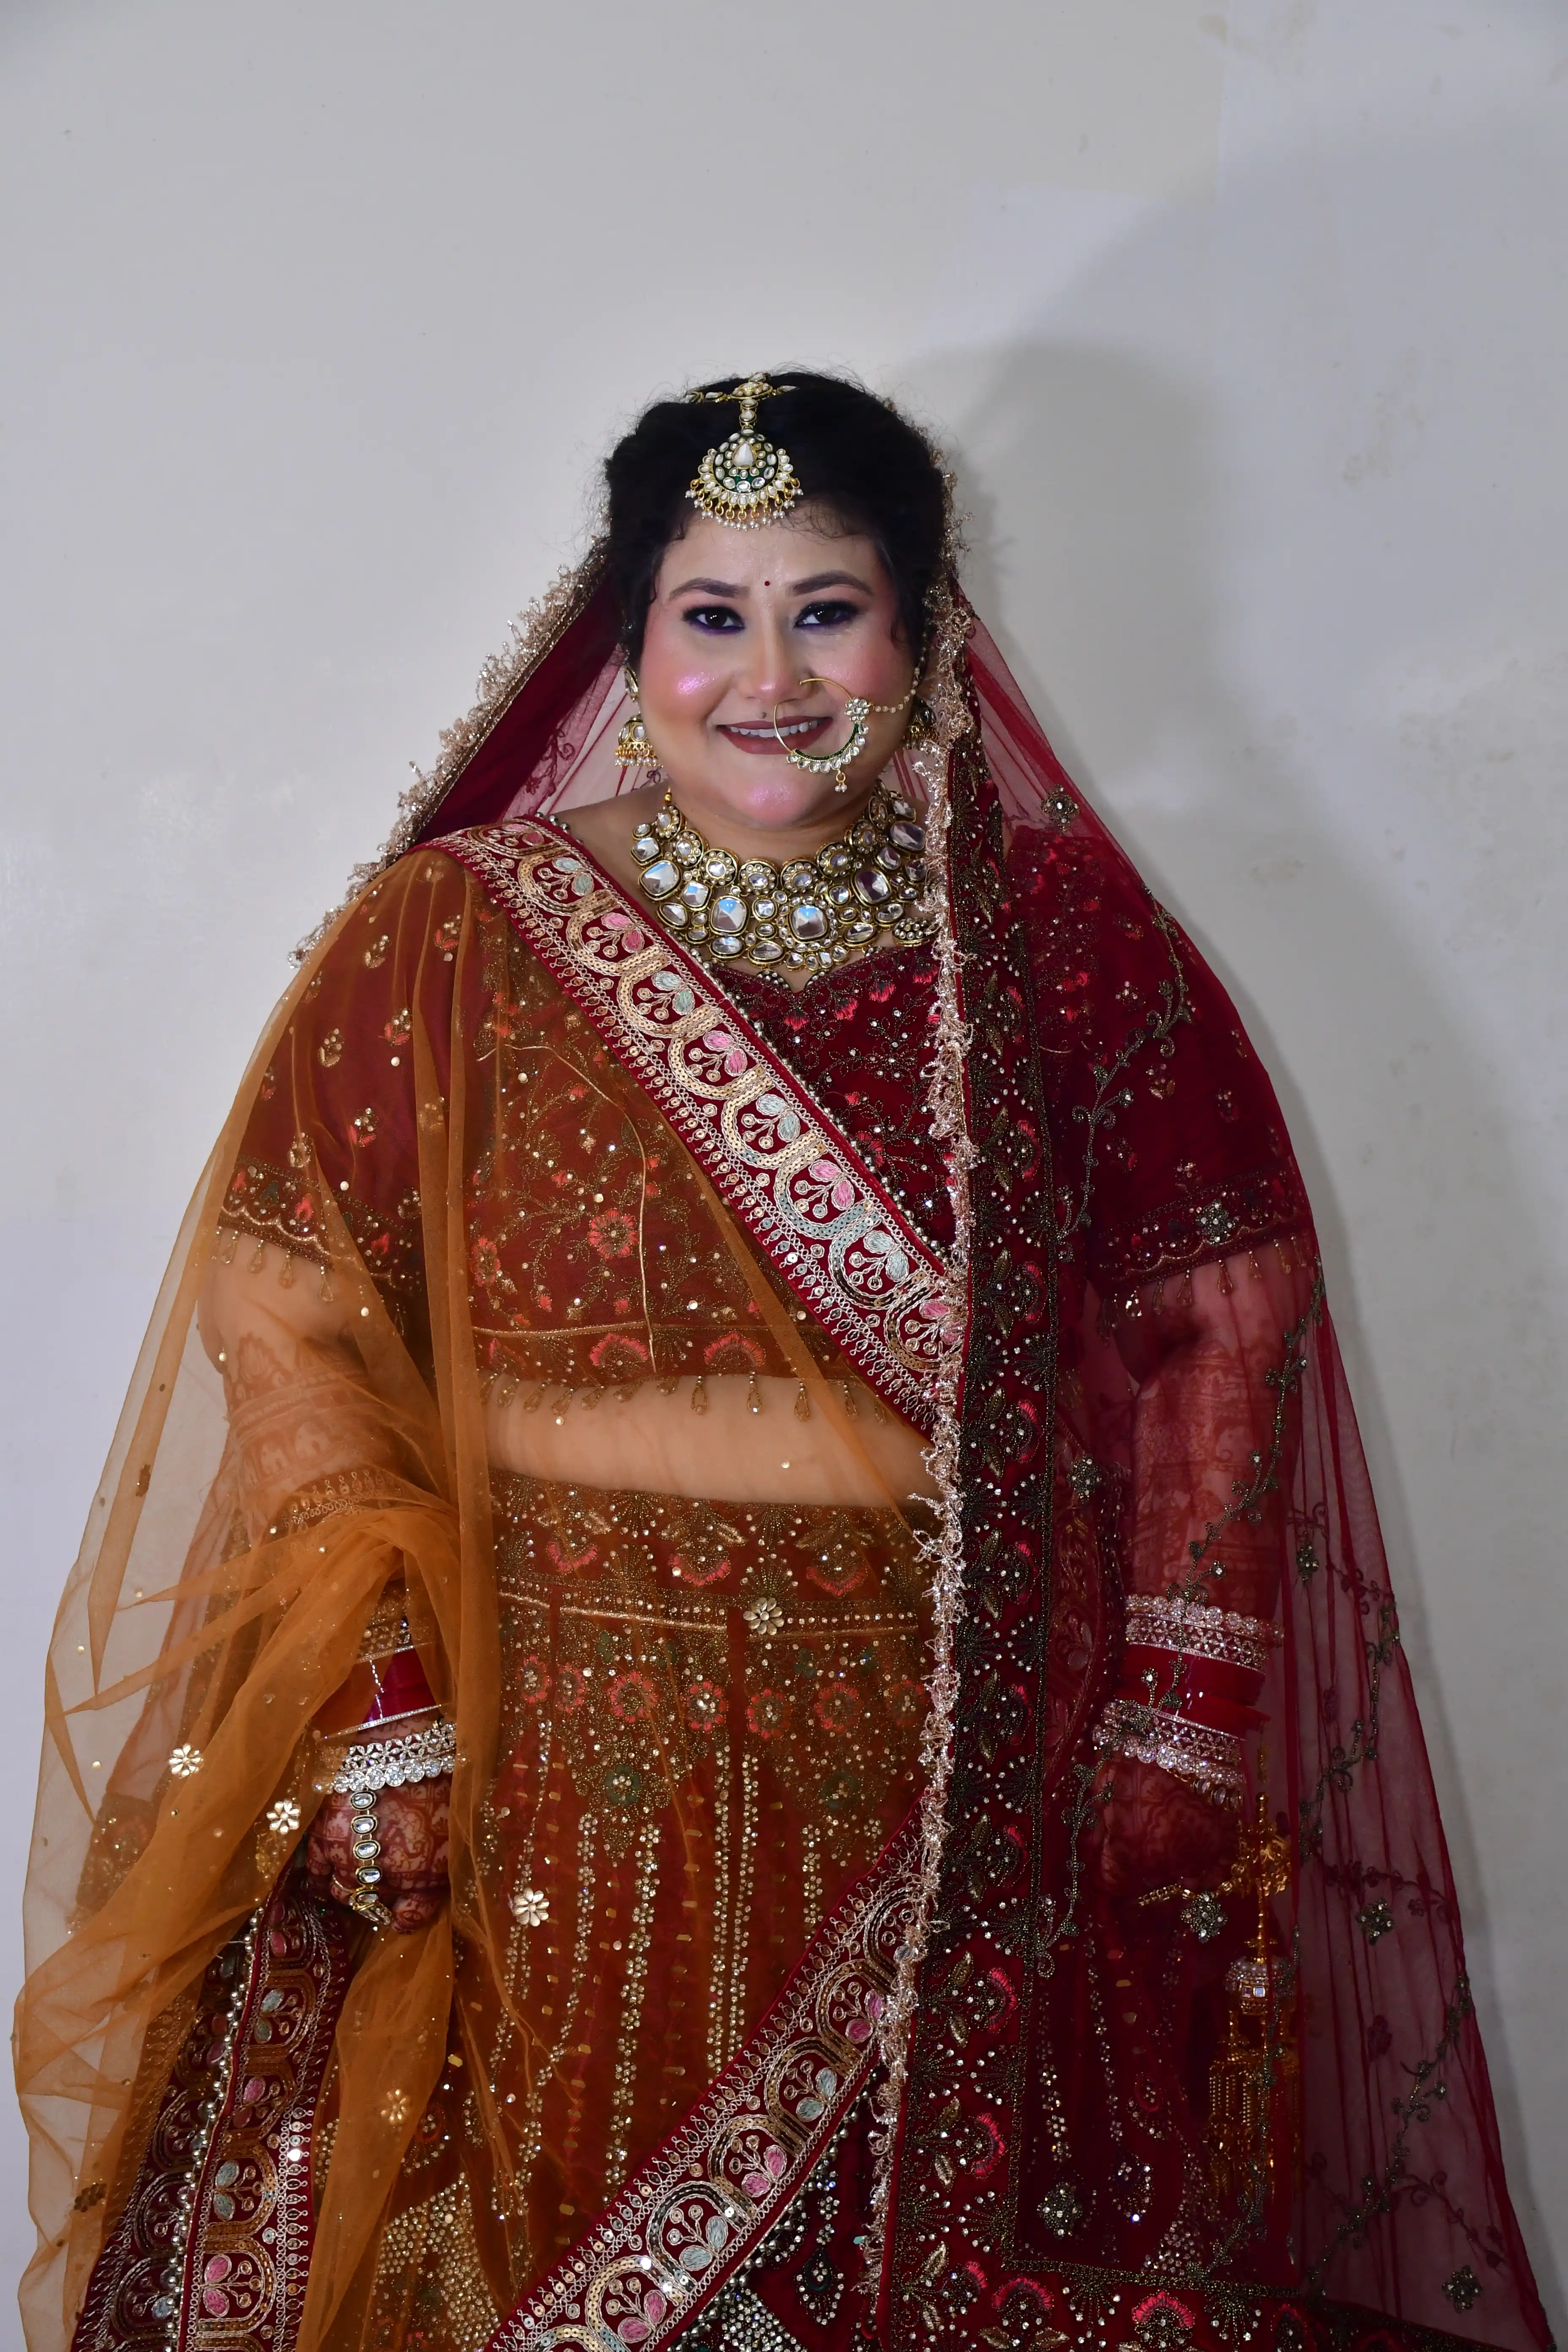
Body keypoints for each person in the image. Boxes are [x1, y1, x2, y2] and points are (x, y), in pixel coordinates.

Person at [17, 373, 1549, 2352]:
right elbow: (290, 1309)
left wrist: (1175, 1710)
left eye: (825, 607)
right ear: (628, 641)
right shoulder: (458, 940)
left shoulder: (1067, 949)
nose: (769, 672)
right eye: (710, 614)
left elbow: (1223, 1320)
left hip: (957, 1753)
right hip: (558, 1766)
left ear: (922, 636)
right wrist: (382, 1701)